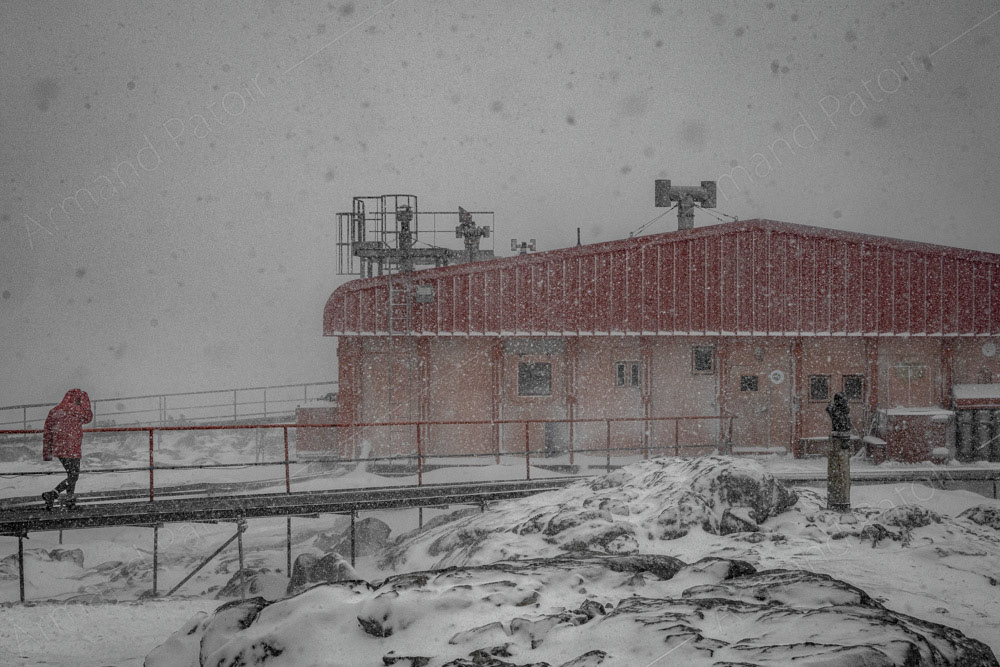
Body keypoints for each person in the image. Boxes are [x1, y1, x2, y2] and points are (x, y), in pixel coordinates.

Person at [41, 388, 92, 510]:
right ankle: (53, 494)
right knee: (74, 476)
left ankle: (70, 501)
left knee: (71, 474)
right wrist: (84, 402)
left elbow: (47, 432)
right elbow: (89, 417)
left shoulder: (55, 410)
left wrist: (47, 453)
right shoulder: (78, 410)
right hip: (72, 447)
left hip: (60, 449)